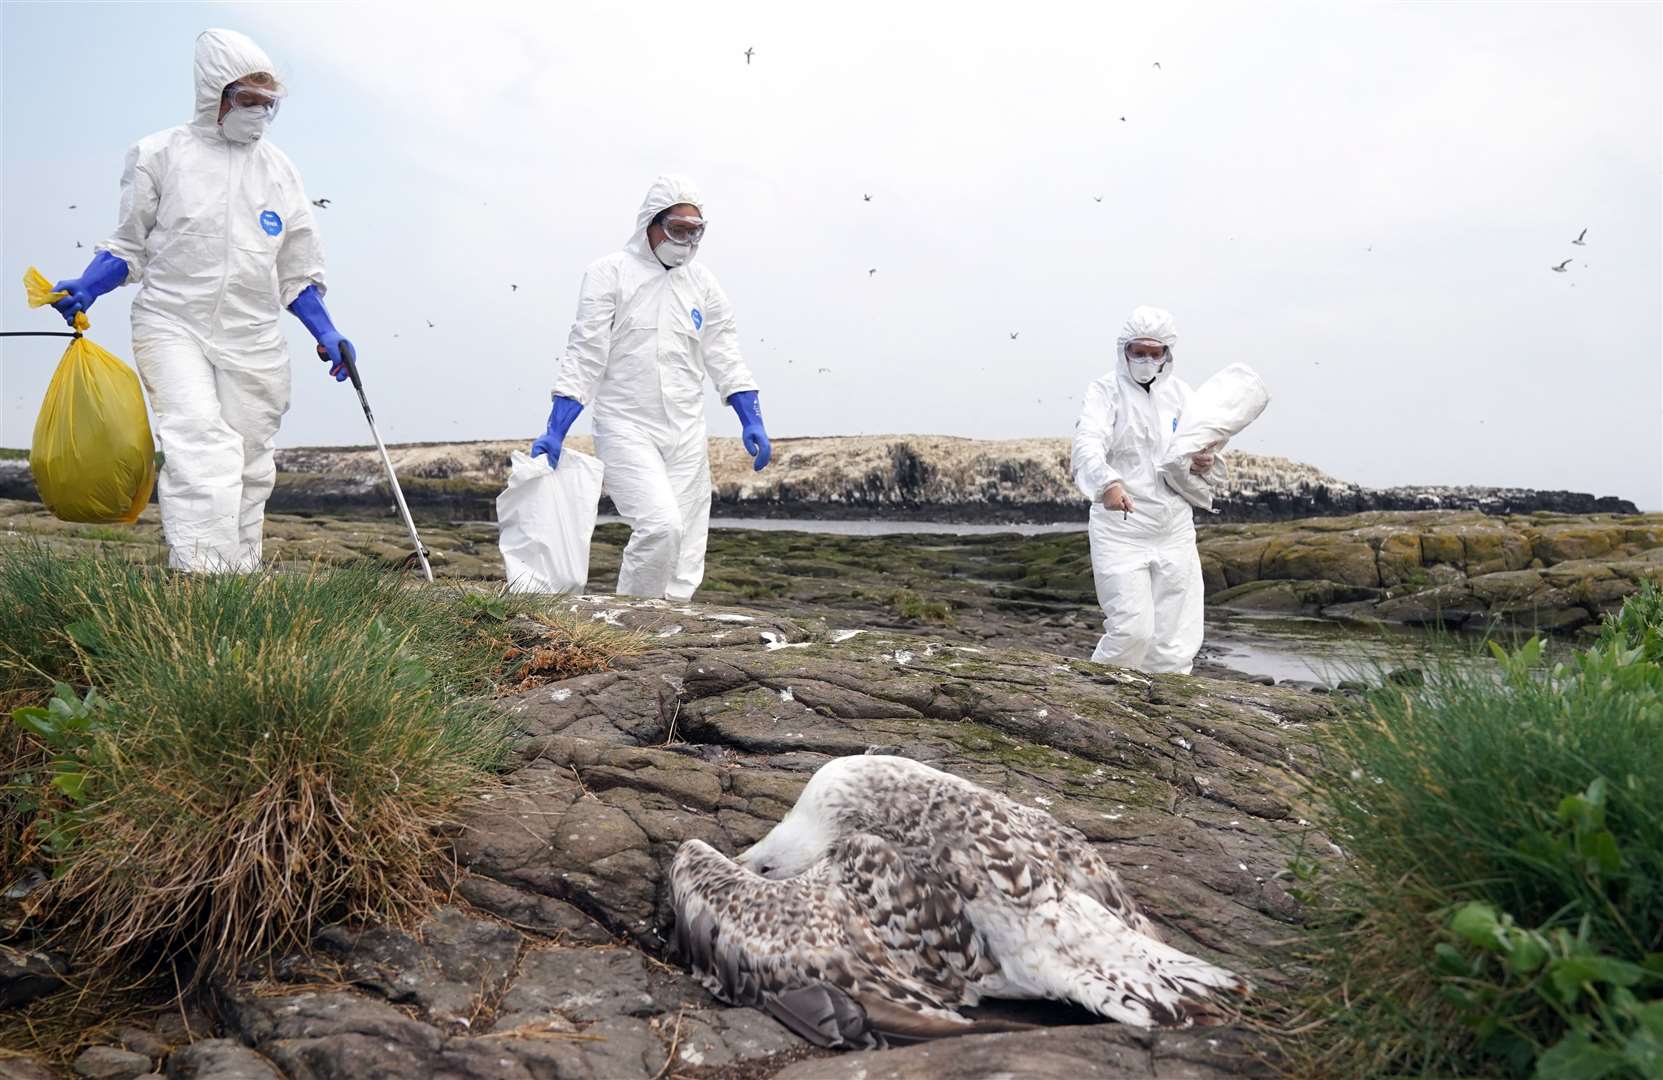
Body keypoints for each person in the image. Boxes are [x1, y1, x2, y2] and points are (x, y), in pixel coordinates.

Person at [49, 29, 351, 573]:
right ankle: (202, 576)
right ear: (215, 93)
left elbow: (297, 270)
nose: (258, 113)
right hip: (173, 322)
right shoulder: (160, 155)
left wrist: (325, 332)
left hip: (253, 334)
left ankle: (239, 576)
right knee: (200, 444)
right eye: (247, 100)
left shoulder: (280, 171)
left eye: (268, 104)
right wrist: (89, 285)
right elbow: (128, 244)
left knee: (251, 459)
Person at [530, 174, 771, 600]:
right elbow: (585, 353)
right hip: (626, 426)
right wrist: (556, 428)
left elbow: (724, 354)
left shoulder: (703, 285)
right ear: (651, 223)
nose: (687, 242)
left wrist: (750, 418)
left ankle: (672, 621)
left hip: (686, 430)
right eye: (678, 229)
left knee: (687, 544)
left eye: (696, 232)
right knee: (661, 525)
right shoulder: (610, 274)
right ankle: (631, 618)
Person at [1070, 306, 1216, 674]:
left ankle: (1162, 717)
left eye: (1155, 353)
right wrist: (1108, 483)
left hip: (1173, 527)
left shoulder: (1183, 396)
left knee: (1173, 642)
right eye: (1139, 351)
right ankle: (1096, 702)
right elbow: (1088, 442)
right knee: (1131, 630)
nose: (1147, 360)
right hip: (1122, 525)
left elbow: (1202, 451)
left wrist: (1204, 462)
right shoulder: (1105, 391)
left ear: (1168, 355)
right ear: (1124, 350)